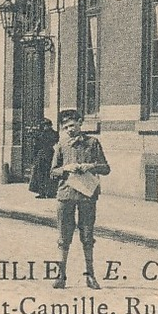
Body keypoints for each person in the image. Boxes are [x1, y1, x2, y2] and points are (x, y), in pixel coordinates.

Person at [51, 108, 109, 291]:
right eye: (65, 127)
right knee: (63, 237)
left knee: (87, 236)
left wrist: (90, 166)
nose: (69, 130)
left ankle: (90, 276)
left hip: (86, 196)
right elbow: (53, 172)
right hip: (66, 195)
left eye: (72, 125)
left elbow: (106, 168)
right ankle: (61, 276)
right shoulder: (61, 146)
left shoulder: (92, 143)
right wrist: (66, 168)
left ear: (80, 123)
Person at [29, 118, 59, 199]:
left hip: (44, 155)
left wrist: (34, 135)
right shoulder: (54, 133)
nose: (44, 127)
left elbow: (39, 142)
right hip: (49, 154)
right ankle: (49, 193)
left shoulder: (45, 134)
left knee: (42, 174)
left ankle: (43, 193)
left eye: (45, 125)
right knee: (47, 174)